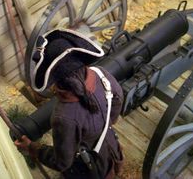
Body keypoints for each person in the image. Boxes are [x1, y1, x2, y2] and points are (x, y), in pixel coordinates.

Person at [15, 28, 124, 179]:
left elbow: (63, 162)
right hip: (111, 148)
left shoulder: (62, 116)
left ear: (53, 77)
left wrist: (33, 148)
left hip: (90, 169)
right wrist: (103, 124)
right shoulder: (101, 74)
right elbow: (118, 100)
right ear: (80, 56)